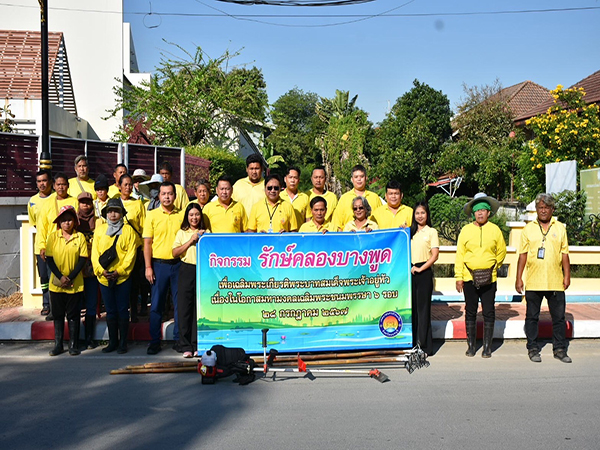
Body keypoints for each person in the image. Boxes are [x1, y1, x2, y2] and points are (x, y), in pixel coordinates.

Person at [515, 193, 572, 363]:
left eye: (547, 207)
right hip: (534, 280)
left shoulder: (560, 228)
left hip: (555, 281)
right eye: (540, 207)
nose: (543, 210)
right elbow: (522, 255)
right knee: (532, 316)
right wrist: (518, 278)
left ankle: (560, 349)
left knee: (559, 317)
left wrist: (567, 275)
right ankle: (533, 348)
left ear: (552, 209)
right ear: (536, 210)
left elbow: (565, 254)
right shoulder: (528, 229)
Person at [455, 193, 507, 358]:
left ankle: (487, 347)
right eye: (477, 211)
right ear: (473, 213)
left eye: (483, 210)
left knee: (489, 311)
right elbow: (460, 255)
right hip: (469, 277)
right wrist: (459, 277)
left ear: (489, 213)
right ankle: (471, 346)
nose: (480, 213)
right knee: (470, 311)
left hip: (489, 278)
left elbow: (502, 250)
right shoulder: (466, 230)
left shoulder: (495, 230)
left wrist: (494, 266)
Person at [143, 181, 184, 355]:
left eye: (170, 193)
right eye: (163, 194)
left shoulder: (182, 215)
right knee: (156, 305)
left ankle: (178, 339)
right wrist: (148, 267)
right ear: (158, 196)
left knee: (178, 305)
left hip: (179, 265)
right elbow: (147, 243)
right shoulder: (151, 215)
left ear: (175, 196)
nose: (167, 197)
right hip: (159, 265)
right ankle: (154, 341)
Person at [91, 198, 137, 354]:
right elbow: (94, 254)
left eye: (116, 211)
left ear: (122, 213)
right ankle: (112, 342)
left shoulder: (128, 230)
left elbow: (131, 255)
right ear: (105, 214)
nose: (113, 214)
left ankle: (123, 343)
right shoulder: (99, 230)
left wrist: (120, 271)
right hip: (104, 278)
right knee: (110, 311)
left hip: (122, 277)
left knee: (123, 310)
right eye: (110, 211)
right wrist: (100, 271)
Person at [45, 205, 88, 356]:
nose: (67, 223)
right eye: (64, 220)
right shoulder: (52, 237)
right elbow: (49, 259)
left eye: (69, 220)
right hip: (56, 284)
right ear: (59, 223)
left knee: (73, 315)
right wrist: (60, 277)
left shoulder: (80, 237)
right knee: (58, 315)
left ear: (74, 222)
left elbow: (83, 259)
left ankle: (73, 345)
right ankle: (58, 345)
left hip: (75, 283)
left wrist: (71, 277)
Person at [172, 203, 207, 358]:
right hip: (186, 269)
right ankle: (185, 344)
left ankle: (196, 344)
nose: (194, 218)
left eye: (197, 214)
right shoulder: (182, 232)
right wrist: (191, 240)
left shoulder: (207, 233)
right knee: (185, 307)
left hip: (202, 270)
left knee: (198, 309)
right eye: (191, 215)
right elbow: (174, 252)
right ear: (187, 216)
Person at [410, 202, 439, 356]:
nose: (420, 216)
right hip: (410, 271)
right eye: (417, 213)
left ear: (427, 214)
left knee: (423, 310)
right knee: (412, 309)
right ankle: (413, 343)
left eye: (422, 213)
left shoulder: (432, 231)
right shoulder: (410, 231)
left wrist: (421, 268)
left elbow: (435, 255)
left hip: (424, 272)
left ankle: (425, 346)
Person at [118, 173, 147, 322]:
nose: (128, 187)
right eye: (125, 185)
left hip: (135, 248)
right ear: (119, 186)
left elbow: (143, 228)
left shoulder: (138, 204)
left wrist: (143, 249)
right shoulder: (114, 203)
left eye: (130, 185)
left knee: (135, 281)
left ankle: (134, 311)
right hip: (118, 250)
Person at [37, 173, 79, 264]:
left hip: (70, 245)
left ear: (68, 186)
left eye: (63, 184)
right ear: (54, 186)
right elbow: (42, 227)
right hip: (51, 246)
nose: (61, 187)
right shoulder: (47, 203)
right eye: (58, 185)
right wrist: (42, 246)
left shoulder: (75, 202)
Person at [28, 169, 53, 318]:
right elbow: (35, 224)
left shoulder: (56, 198)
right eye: (39, 181)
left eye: (44, 180)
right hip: (40, 246)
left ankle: (56, 305)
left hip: (57, 246)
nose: (42, 184)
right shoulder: (32, 201)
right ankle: (46, 304)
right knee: (43, 276)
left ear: (50, 182)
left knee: (55, 276)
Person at [76, 192, 99, 349]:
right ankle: (76, 338)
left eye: (88, 202)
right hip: (76, 271)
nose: (85, 205)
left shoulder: (98, 222)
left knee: (91, 304)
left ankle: (89, 337)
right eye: (82, 202)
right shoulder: (73, 222)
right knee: (76, 305)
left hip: (92, 270)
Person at [333, 165, 382, 231]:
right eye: (356, 177)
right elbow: (337, 224)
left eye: (362, 176)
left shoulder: (374, 197)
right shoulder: (344, 198)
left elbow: (381, 221)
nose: (359, 179)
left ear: (366, 178)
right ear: (352, 179)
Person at [232, 154, 266, 220]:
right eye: (251, 169)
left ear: (262, 169)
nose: (254, 172)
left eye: (257, 168)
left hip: (260, 227)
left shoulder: (267, 186)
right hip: (241, 227)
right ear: (247, 169)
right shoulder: (238, 185)